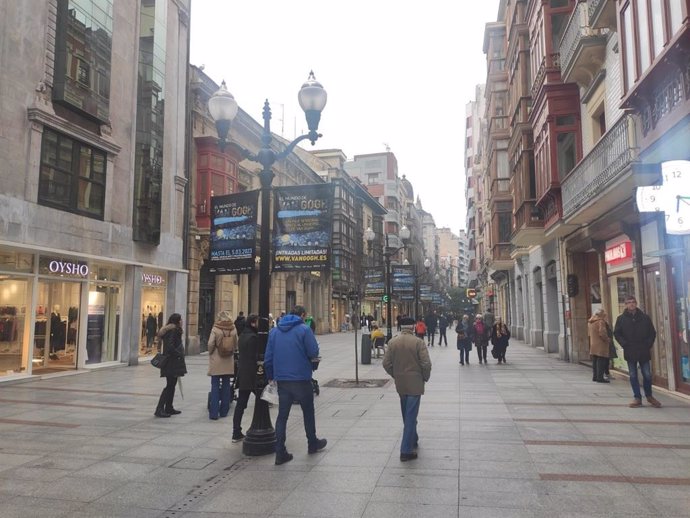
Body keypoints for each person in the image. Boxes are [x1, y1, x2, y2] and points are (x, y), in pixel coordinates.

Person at [264, 305, 327, 465]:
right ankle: (312, 443)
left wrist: (271, 376)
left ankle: (280, 451)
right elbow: (313, 352)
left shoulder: (275, 332)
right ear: (302, 315)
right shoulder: (304, 330)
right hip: (301, 378)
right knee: (308, 412)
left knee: (282, 416)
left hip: (283, 380)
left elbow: (268, 358)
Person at [383, 317, 432, 462]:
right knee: (411, 415)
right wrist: (424, 377)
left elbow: (386, 363)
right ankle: (405, 450)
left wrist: (395, 374)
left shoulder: (392, 342)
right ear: (413, 327)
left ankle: (413, 437)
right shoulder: (418, 342)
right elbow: (426, 364)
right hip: (415, 383)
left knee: (406, 413)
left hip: (401, 383)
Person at [613, 296, 661, 408]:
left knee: (647, 375)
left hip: (643, 350)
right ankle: (637, 397)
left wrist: (648, 344)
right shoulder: (621, 319)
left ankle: (649, 396)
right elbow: (617, 333)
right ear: (625, 305)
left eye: (633, 302)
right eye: (629, 302)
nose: (631, 304)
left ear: (636, 303)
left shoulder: (645, 317)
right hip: (630, 350)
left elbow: (652, 333)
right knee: (633, 375)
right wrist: (624, 344)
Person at [233, 314, 260, 442]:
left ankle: (236, 431)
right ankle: (260, 426)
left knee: (241, 404)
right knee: (263, 399)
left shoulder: (243, 335)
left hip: (243, 374)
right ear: (253, 323)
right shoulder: (253, 337)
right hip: (253, 375)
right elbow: (256, 357)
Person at [154, 313, 187, 418]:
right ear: (177, 321)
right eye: (180, 319)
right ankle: (160, 409)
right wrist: (178, 354)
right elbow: (170, 346)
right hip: (171, 362)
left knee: (172, 385)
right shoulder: (173, 330)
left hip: (172, 361)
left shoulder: (171, 330)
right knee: (169, 386)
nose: (182, 321)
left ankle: (169, 407)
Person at [207, 310, 238, 420]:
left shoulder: (216, 328)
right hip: (228, 359)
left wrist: (211, 351)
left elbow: (210, 344)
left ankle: (214, 413)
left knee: (215, 386)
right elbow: (236, 344)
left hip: (216, 359)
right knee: (226, 386)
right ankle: (224, 411)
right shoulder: (233, 328)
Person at [588, 309, 612, 383]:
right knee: (601, 360)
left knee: (595, 360)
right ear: (601, 315)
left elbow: (589, 333)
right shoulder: (600, 321)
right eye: (604, 315)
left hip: (593, 343)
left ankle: (595, 376)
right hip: (601, 344)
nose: (605, 316)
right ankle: (600, 377)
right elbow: (602, 333)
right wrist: (607, 339)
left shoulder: (591, 321)